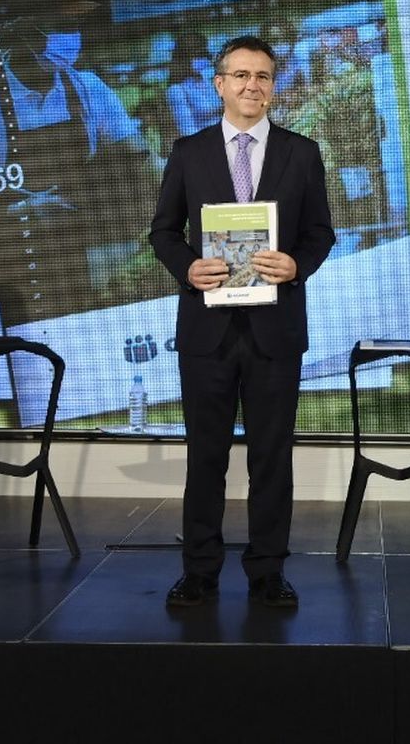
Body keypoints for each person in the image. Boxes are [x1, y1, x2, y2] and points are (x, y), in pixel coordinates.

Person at [149, 34, 335, 609]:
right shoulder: (189, 152)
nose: (253, 86)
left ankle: (267, 572)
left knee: (271, 458)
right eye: (242, 75)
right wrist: (188, 267)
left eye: (263, 77)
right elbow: (163, 231)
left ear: (274, 87)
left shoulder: (302, 153)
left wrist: (297, 264)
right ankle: (199, 571)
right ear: (219, 84)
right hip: (206, 331)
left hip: (275, 330)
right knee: (205, 456)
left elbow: (321, 232)